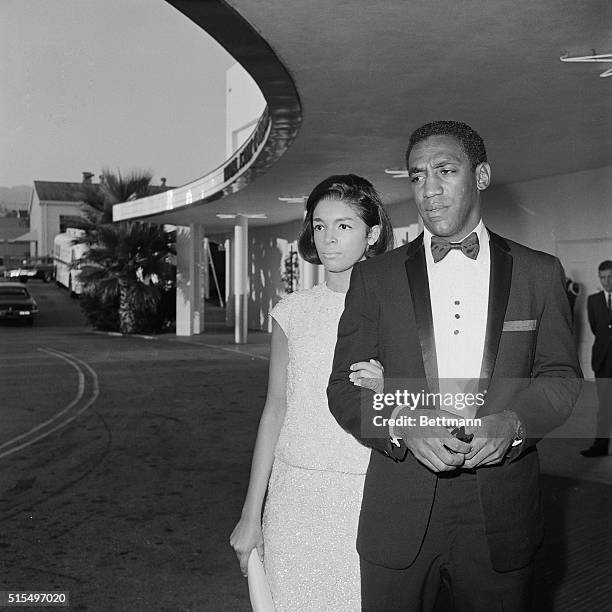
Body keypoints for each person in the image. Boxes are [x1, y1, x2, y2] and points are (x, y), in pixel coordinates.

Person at [328, 121, 583, 611]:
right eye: (417, 176)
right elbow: (342, 387)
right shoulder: (375, 278)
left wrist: (514, 423)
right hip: (400, 509)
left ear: (481, 175)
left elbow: (562, 380)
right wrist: (403, 424)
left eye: (445, 171)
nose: (429, 189)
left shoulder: (538, 272)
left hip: (500, 511)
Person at [230, 174, 394, 611]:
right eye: (320, 226)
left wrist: (390, 387)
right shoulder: (291, 312)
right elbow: (274, 410)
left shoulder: (398, 313)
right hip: (294, 491)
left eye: (344, 226)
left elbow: (426, 402)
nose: (328, 239)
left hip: (365, 490)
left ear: (372, 234)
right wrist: (251, 514)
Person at [581, 260, 612, 457]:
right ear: (599, 278)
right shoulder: (593, 300)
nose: (607, 281)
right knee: (605, 406)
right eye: (603, 277)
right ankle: (600, 447)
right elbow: (595, 328)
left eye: (610, 277)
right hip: (604, 361)